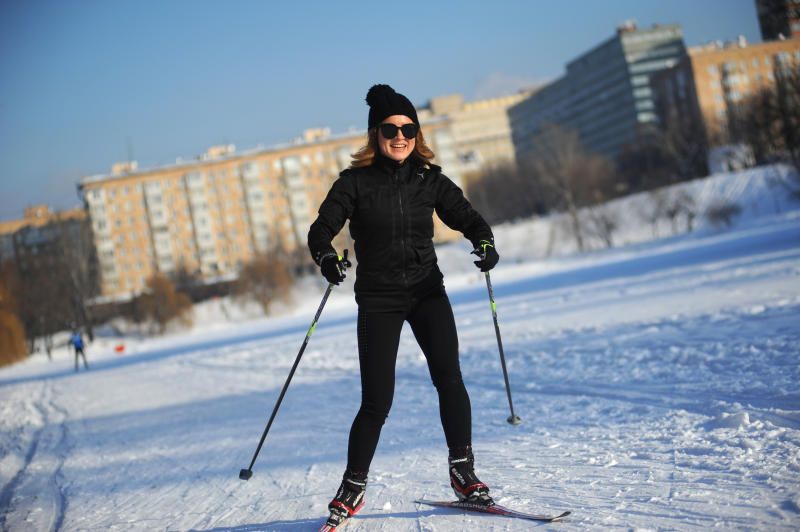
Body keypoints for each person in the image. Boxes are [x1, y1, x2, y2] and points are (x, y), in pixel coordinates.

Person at [308, 84, 500, 528]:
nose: (400, 136)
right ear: (375, 133)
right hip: (379, 300)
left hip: (426, 292)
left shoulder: (428, 179)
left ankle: (463, 472)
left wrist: (485, 242)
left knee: (449, 379)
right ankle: (352, 488)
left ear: (417, 133)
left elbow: (469, 218)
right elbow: (321, 231)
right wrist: (327, 258)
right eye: (391, 128)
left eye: (408, 129)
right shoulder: (354, 183)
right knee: (377, 401)